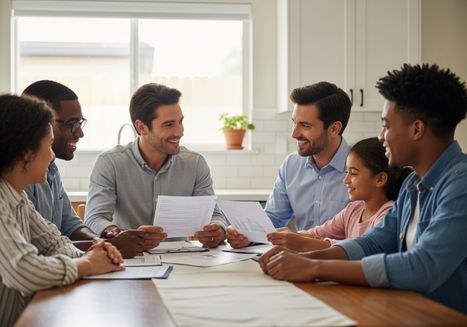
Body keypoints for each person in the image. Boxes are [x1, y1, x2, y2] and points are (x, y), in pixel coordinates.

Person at [259, 64, 467, 315]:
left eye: (386, 126)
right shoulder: (413, 185)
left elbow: (424, 266)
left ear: (416, 130)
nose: (380, 137)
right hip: (411, 312)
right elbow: (373, 243)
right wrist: (304, 259)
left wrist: (314, 268)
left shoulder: (460, 184)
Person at [0, 94, 124, 326]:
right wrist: (87, 264)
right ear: (26, 152)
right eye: (48, 145)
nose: (52, 155)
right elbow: (24, 270)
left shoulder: (16, 198)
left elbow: (52, 242)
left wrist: (96, 255)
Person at [85, 83, 228, 249]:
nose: (180, 131)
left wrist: (218, 229)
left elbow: (214, 215)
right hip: (129, 259)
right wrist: (118, 234)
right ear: (141, 127)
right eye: (169, 125)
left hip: (182, 260)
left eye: (180, 122)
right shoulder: (111, 163)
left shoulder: (195, 164)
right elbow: (94, 219)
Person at [22, 80, 149, 258]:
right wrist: (107, 246)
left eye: (80, 123)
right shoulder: (17, 180)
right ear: (42, 125)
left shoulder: (51, 170)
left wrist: (102, 241)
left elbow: (70, 226)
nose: (80, 133)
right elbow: (39, 250)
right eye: (71, 124)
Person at [227, 82, 352, 248]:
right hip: (299, 261)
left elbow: (366, 239)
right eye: (294, 123)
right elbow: (273, 219)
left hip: (344, 264)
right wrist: (247, 233)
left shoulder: (362, 170)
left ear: (334, 129)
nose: (294, 133)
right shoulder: (291, 165)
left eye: (305, 126)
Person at [266, 137, 411, 252]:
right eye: (347, 172)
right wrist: (290, 236)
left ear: (380, 179)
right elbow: (319, 232)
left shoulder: (388, 214)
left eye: (353, 173)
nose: (345, 180)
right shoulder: (353, 209)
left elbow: (360, 248)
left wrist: (303, 242)